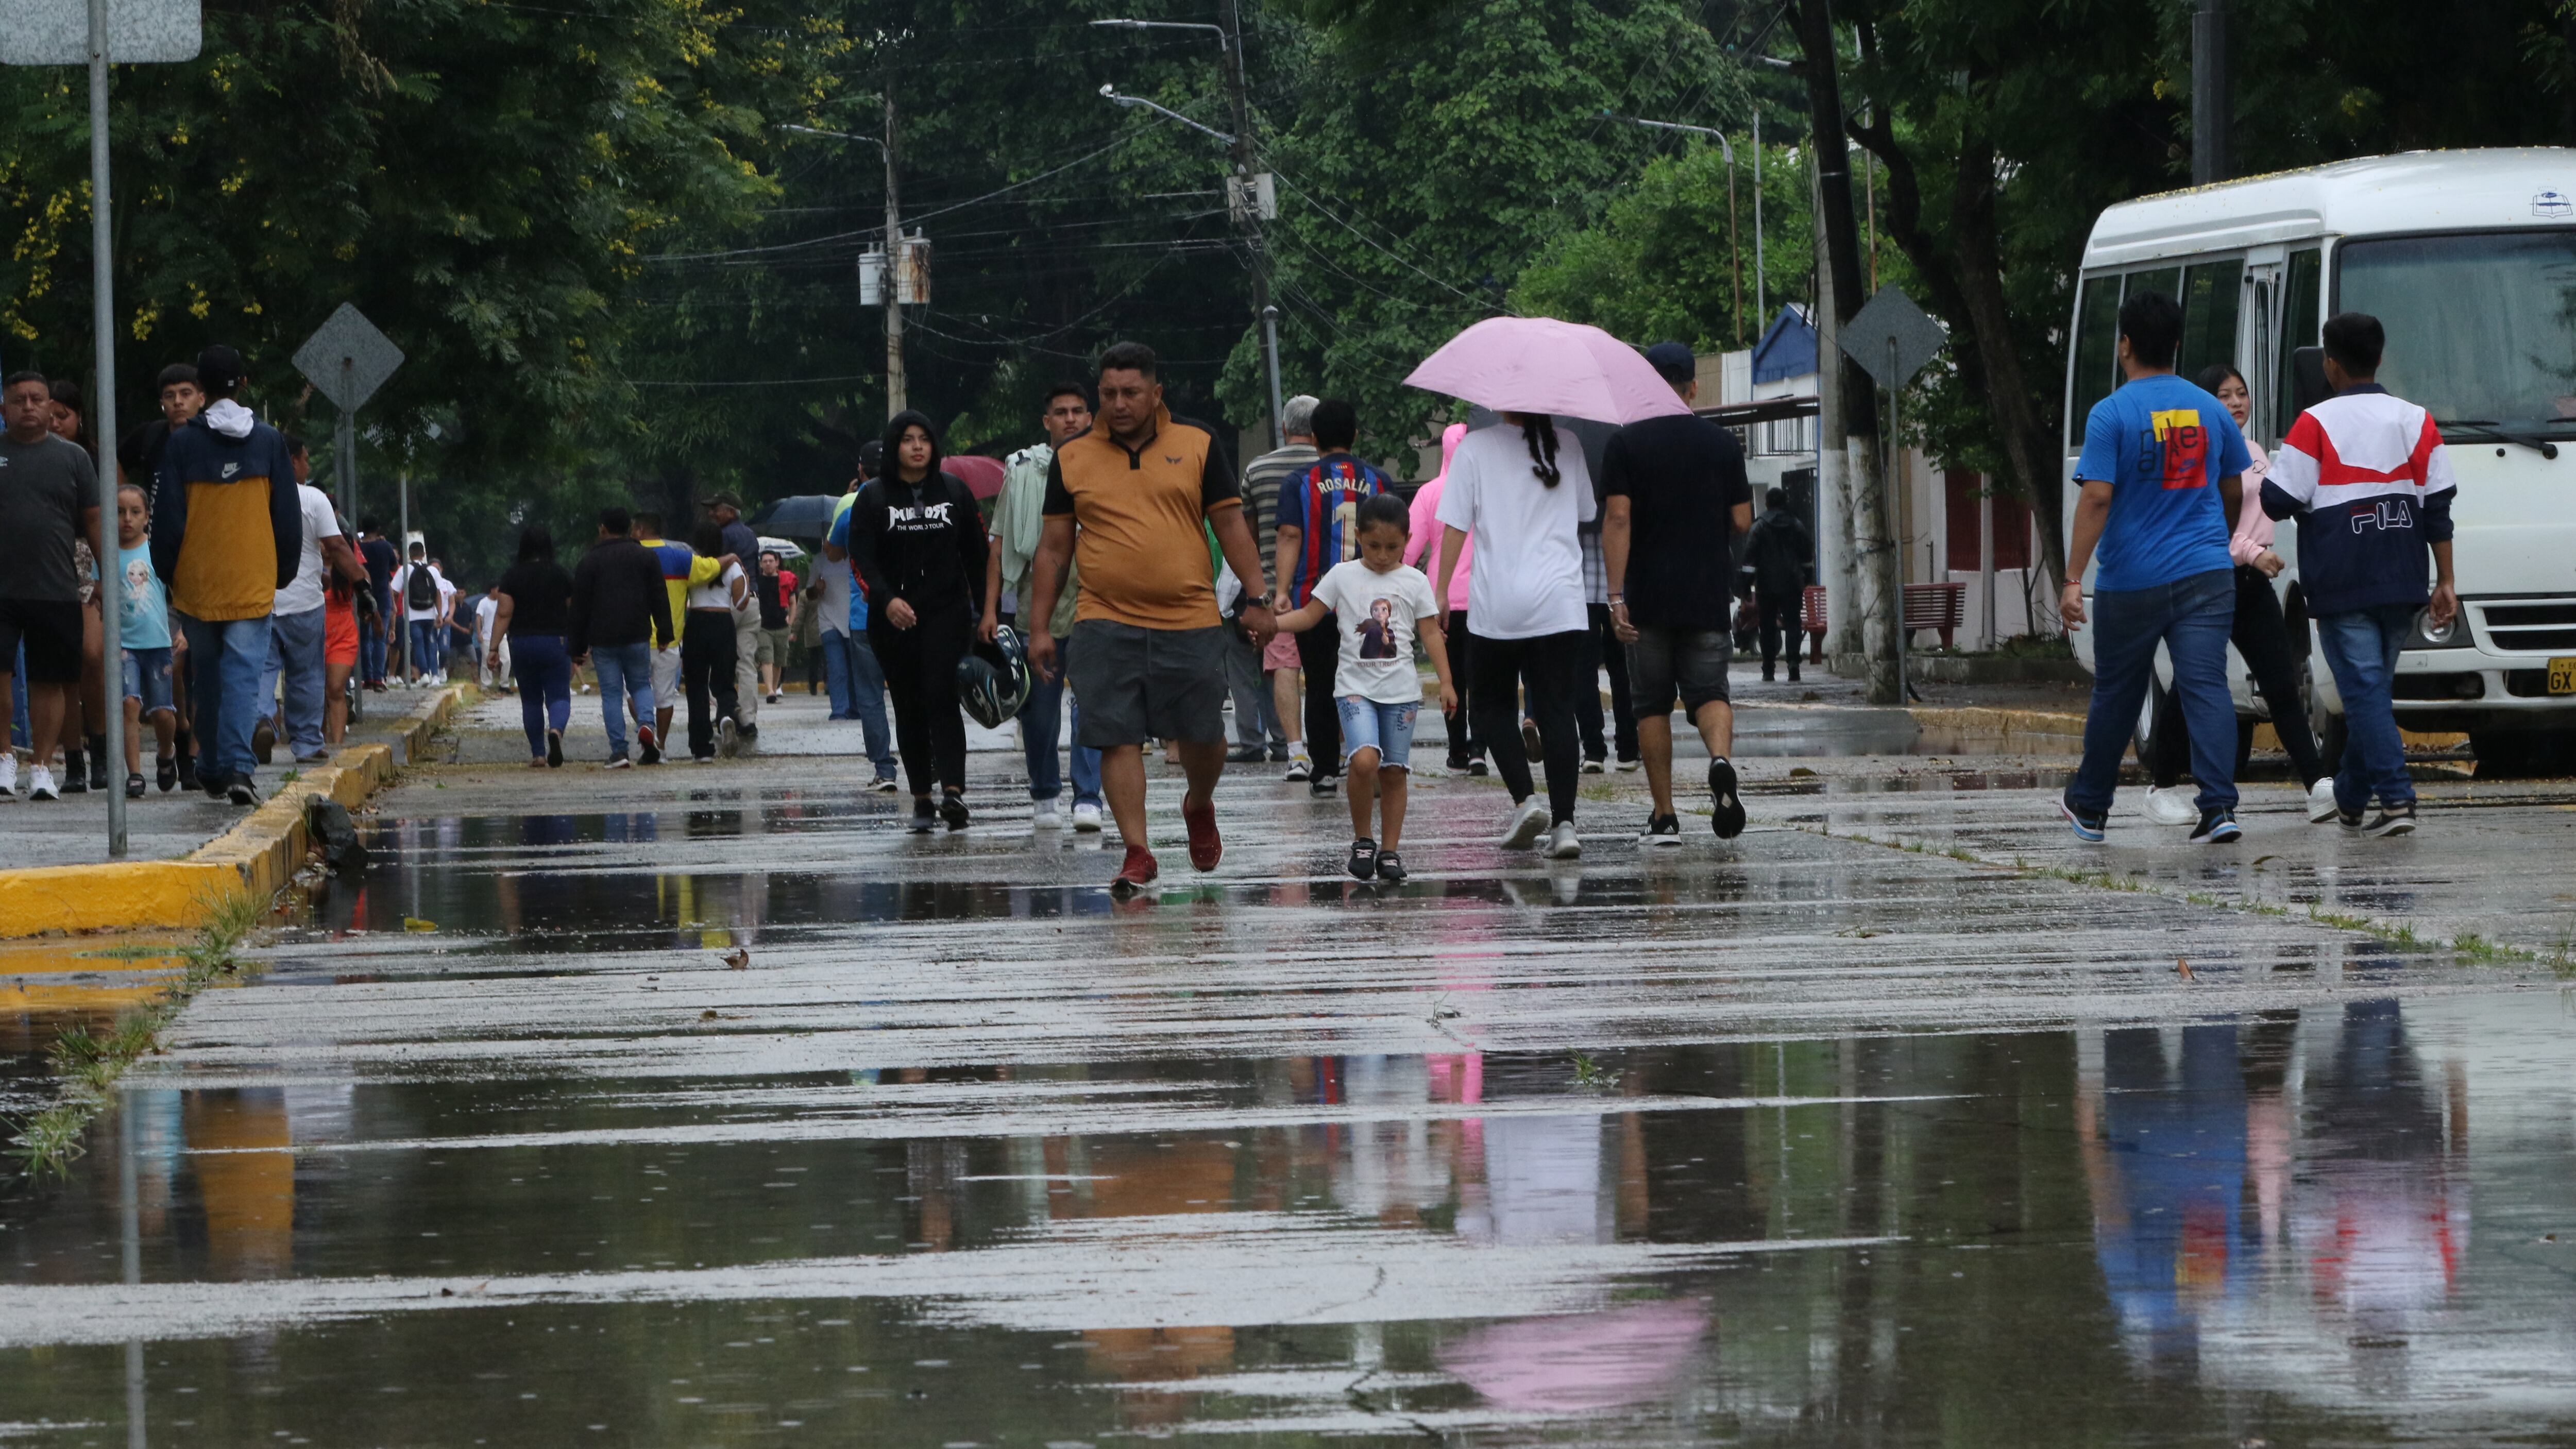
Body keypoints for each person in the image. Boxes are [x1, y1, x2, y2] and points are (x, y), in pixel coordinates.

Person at [1025, 341, 1277, 895]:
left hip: (1190, 617)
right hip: (1103, 618)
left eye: (1131, 392)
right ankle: (1137, 851)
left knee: (1204, 735)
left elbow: (1231, 525)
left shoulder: (1198, 443)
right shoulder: (1072, 457)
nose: (1119, 404)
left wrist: (1259, 598)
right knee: (1115, 736)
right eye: (1109, 393)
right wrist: (1039, 627)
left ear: (1156, 392)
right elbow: (1054, 547)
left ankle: (1199, 802)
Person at [2058, 291, 2251, 845]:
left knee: (2117, 692)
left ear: (2125, 345)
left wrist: (2073, 579)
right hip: (2206, 574)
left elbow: (2097, 497)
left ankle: (2091, 808)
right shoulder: (2211, 409)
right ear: (2176, 344)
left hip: (2131, 581)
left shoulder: (2111, 413)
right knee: (2205, 686)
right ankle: (2219, 807)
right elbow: (2233, 487)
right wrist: (2217, 540)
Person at [2260, 311, 2458, 837]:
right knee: (2371, 694)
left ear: (2329, 364)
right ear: (2379, 358)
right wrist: (2446, 581)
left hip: (2341, 580)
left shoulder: (2314, 423)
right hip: (2402, 579)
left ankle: (2396, 798)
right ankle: (2350, 798)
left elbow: (2276, 500)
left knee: (2366, 694)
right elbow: (2438, 508)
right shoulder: (2417, 419)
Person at [2138, 365, 2340, 828]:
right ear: (2204, 405)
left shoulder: (2254, 452)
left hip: (2251, 585)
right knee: (2189, 687)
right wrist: (2252, 552)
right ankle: (2162, 786)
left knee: (2281, 684)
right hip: (2207, 582)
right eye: (2224, 395)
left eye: (2241, 394)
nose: (2235, 403)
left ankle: (2317, 785)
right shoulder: (2195, 454)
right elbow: (2205, 524)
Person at [1602, 341, 1756, 844]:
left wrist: (1615, 595)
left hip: (1646, 598)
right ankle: (1719, 761)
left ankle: (1665, 816)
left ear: (1645, 384)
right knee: (1710, 693)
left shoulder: (1624, 444)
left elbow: (1618, 517)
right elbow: (1742, 520)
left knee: (1650, 704)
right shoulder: (1722, 444)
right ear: (1692, 387)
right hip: (1706, 592)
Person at [1273, 493, 1455, 883]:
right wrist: (1273, 625)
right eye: (1373, 546)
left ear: (1408, 540)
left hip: (1402, 694)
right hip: (1354, 689)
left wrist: (1446, 682)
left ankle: (1389, 851)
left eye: (1393, 546)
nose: (1383, 555)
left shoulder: (1416, 581)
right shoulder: (1342, 575)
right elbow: (1310, 615)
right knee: (1364, 761)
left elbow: (1430, 633)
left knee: (1394, 772)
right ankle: (1363, 840)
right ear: (1357, 537)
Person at [1435, 411, 1595, 858]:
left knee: (1490, 706)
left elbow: (1456, 525)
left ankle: (1526, 800)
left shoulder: (1474, 448)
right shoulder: (1568, 443)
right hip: (1561, 600)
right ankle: (1565, 826)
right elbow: (1586, 511)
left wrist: (1442, 590)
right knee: (1558, 710)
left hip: (1499, 603)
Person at [150, 345, 302, 806]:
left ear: (201, 388)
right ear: (245, 384)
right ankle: (236, 766)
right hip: (253, 578)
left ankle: (212, 765)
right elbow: (286, 514)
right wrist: (283, 571)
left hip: (198, 581)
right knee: (242, 674)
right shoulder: (269, 442)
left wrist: (168, 573)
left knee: (208, 675)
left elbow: (168, 517)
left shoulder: (182, 444)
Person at [844, 410, 988, 831]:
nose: (918, 447)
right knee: (909, 705)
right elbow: (861, 558)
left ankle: (954, 793)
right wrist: (887, 599)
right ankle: (922, 798)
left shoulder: (955, 491)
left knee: (943, 697)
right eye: (908, 439)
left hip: (947, 613)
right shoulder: (872, 497)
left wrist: (988, 613)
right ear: (895, 446)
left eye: (924, 438)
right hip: (893, 619)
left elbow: (978, 556)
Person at [983, 383, 1104, 827]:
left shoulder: (1106, 466)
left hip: (1094, 598)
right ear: (1047, 421)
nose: (1070, 418)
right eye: (1061, 412)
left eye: (1078, 411)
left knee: (1092, 700)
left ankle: (1088, 796)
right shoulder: (1022, 471)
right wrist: (990, 609)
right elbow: (999, 543)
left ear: (1090, 417)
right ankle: (1045, 793)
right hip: (1039, 602)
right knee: (1039, 708)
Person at [1273, 399, 1389, 799]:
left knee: (1321, 685)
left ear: (1314, 438)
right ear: (1355, 434)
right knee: (1370, 682)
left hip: (1317, 601)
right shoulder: (1378, 481)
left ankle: (1324, 771)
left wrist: (1282, 591)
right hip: (1370, 602)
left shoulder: (1299, 482)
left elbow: (1290, 535)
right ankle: (1371, 762)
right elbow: (1394, 540)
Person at [0, 373, 101, 801]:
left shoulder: (74, 458)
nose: (28, 406)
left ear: (49, 406)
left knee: (51, 679)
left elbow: (95, 519)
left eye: (36, 399)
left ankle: (41, 767)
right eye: (18, 399)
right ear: (4, 408)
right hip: (3, 589)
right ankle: (4, 757)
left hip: (56, 585)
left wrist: (105, 578)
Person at [256, 435, 363, 765]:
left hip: (259, 601)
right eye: (305, 458)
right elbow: (337, 546)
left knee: (261, 671)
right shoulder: (313, 499)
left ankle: (261, 720)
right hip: (304, 602)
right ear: (292, 460)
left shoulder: (253, 496)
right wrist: (363, 586)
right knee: (306, 675)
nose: (308, 464)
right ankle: (306, 742)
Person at [1235, 393, 1316, 768]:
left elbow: (1247, 536)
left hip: (1273, 588)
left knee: (1285, 667)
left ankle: (1295, 751)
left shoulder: (1257, 469)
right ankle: (1339, 750)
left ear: (1284, 428)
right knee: (1332, 668)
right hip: (1327, 585)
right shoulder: (1330, 468)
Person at [566, 506, 672, 767]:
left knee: (612, 694)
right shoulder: (646, 557)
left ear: (603, 528)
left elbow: (580, 608)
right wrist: (665, 632)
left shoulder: (589, 561)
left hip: (603, 638)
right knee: (641, 685)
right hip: (637, 633)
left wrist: (577, 647)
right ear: (629, 529)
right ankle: (647, 725)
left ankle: (619, 752)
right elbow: (659, 596)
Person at [810, 483, 900, 789]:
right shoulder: (916, 502)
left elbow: (833, 552)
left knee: (871, 696)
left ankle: (884, 769)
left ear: (861, 471)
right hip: (908, 612)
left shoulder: (851, 506)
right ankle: (925, 759)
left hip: (865, 616)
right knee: (911, 690)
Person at [1404, 423, 1481, 774]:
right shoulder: (1487, 488)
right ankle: (1480, 748)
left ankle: (1458, 749)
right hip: (1485, 596)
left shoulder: (1430, 493)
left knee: (1451, 677)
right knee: (1482, 677)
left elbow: (1409, 550)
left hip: (1442, 596)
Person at [45, 378, 108, 794]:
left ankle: (101, 749)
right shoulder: (28, 456)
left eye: (62, 416)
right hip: (46, 561)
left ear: (79, 417)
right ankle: (73, 761)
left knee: (92, 655)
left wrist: (105, 574)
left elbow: (109, 518)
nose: (54, 424)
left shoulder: (94, 459)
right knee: (61, 664)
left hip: (88, 559)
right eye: (49, 416)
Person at [112, 484, 179, 795]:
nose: (127, 518)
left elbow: (179, 592)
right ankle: (135, 774)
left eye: (135, 512)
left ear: (147, 517)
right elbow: (99, 591)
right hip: (123, 645)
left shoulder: (156, 551)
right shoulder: (106, 552)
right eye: (119, 512)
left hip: (158, 643)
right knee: (129, 704)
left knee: (162, 711)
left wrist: (184, 630)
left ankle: (166, 752)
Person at [493, 525, 576, 768]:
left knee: (530, 700)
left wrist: (493, 648)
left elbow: (504, 614)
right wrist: (580, 643)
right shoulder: (561, 574)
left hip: (522, 643)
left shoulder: (512, 576)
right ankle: (556, 731)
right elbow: (575, 611)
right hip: (556, 642)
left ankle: (538, 755)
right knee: (559, 695)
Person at [634, 512, 704, 753]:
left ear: (640, 530)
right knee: (665, 698)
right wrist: (733, 559)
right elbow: (713, 567)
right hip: (669, 641)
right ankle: (660, 746)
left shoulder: (628, 556)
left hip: (635, 639)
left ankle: (647, 730)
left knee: (633, 693)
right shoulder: (681, 557)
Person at [681, 519, 747, 762]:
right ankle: (726, 717)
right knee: (724, 680)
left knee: (697, 685)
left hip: (697, 623)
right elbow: (742, 603)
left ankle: (702, 748)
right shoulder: (734, 567)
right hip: (723, 624)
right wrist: (745, 577)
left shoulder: (692, 565)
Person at [702, 491, 763, 743]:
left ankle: (725, 713)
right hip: (751, 601)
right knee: (746, 662)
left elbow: (712, 568)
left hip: (726, 603)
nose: (711, 513)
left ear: (730, 511)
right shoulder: (750, 535)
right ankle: (748, 720)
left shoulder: (722, 536)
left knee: (715, 660)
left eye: (716, 509)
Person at [1744, 488, 1812, 683]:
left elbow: (1750, 558)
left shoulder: (1759, 526)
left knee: (1767, 626)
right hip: (1792, 583)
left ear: (1767, 503)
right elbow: (1807, 555)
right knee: (1793, 623)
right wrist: (1807, 578)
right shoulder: (1796, 525)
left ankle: (1768, 668)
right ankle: (1793, 663)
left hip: (1766, 584)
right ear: (1785, 502)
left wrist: (1746, 586)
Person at [320, 513, 366, 746]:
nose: (326, 545)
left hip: (342, 635)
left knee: (336, 688)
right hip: (314, 633)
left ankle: (337, 743)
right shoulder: (308, 566)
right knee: (316, 693)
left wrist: (378, 620)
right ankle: (317, 741)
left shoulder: (347, 569)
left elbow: (366, 590)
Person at [391, 542, 446, 686]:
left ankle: (425, 674)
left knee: (418, 644)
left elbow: (394, 592)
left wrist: (394, 608)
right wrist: (440, 614)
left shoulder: (404, 570)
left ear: (409, 554)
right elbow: (438, 594)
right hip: (430, 614)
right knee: (431, 645)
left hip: (412, 615)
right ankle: (435, 676)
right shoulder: (433, 570)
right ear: (424, 554)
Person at [356, 518, 399, 690]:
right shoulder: (385, 546)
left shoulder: (359, 547)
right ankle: (378, 679)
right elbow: (394, 567)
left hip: (364, 595)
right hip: (382, 595)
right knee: (380, 638)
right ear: (378, 529)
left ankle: (367, 677)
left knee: (365, 638)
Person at [754, 550, 796, 704]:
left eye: (771, 561)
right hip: (763, 627)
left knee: (779, 661)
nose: (768, 564)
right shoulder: (757, 582)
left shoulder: (786, 580)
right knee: (767, 659)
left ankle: (774, 687)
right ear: (760, 564)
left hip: (782, 626)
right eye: (765, 561)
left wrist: (790, 623)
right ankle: (770, 691)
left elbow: (793, 603)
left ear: (777, 562)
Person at [473, 583, 510, 692]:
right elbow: (479, 618)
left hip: (502, 636)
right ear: (492, 590)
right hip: (487, 636)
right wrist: (479, 633)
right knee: (486, 661)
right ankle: (486, 684)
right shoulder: (484, 602)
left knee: (507, 660)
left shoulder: (502, 602)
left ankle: (504, 684)